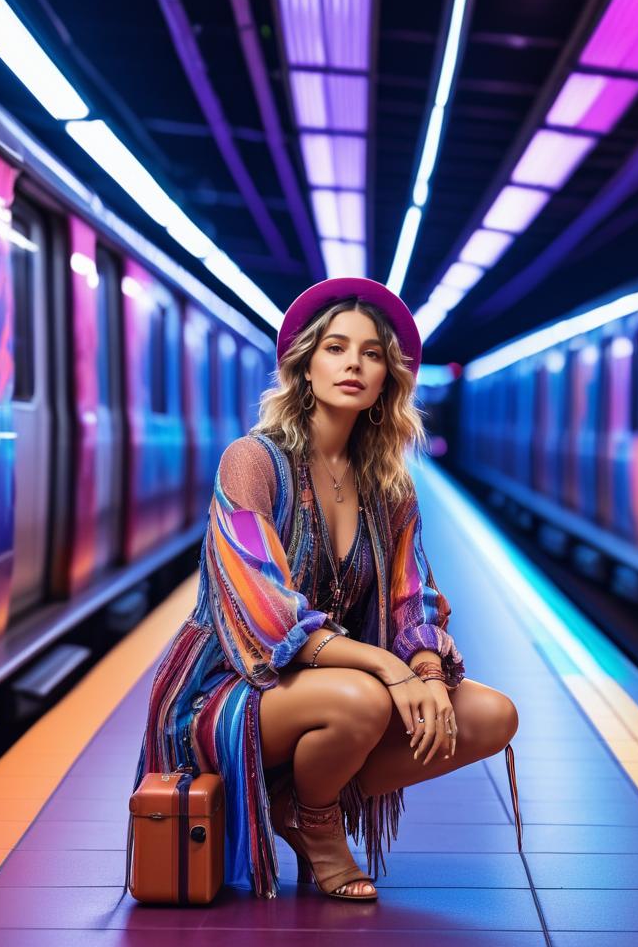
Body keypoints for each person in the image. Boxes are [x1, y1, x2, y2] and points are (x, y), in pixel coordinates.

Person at [131, 277, 519, 903]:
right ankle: (317, 824)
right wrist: (387, 668)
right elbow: (266, 615)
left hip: (335, 686)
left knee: (489, 716)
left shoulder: (390, 486)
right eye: (336, 348)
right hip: (229, 687)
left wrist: (422, 665)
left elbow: (411, 596)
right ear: (305, 366)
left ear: (386, 381)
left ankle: (297, 794)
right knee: (364, 699)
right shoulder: (251, 463)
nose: (354, 364)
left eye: (371, 354)